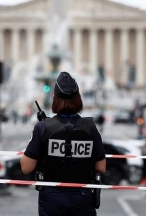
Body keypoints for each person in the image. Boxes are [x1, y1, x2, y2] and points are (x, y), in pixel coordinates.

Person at [20, 72, 106, 216]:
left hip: (52, 198)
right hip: (82, 196)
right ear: (78, 98)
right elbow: (101, 167)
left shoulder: (43, 128)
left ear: (55, 99)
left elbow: (26, 167)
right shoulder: (90, 127)